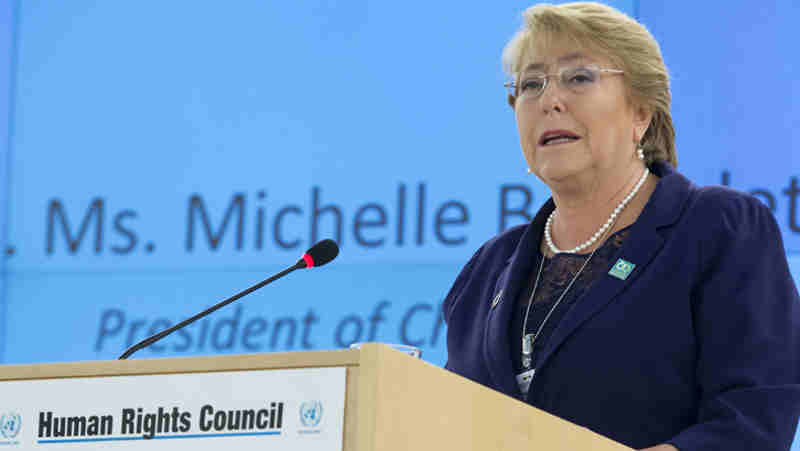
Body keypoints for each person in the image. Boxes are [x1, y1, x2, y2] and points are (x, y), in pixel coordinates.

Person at [441, 3, 800, 450]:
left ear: (641, 113)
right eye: (531, 84)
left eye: (578, 77)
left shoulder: (718, 229)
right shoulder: (486, 269)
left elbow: (755, 417)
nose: (550, 100)